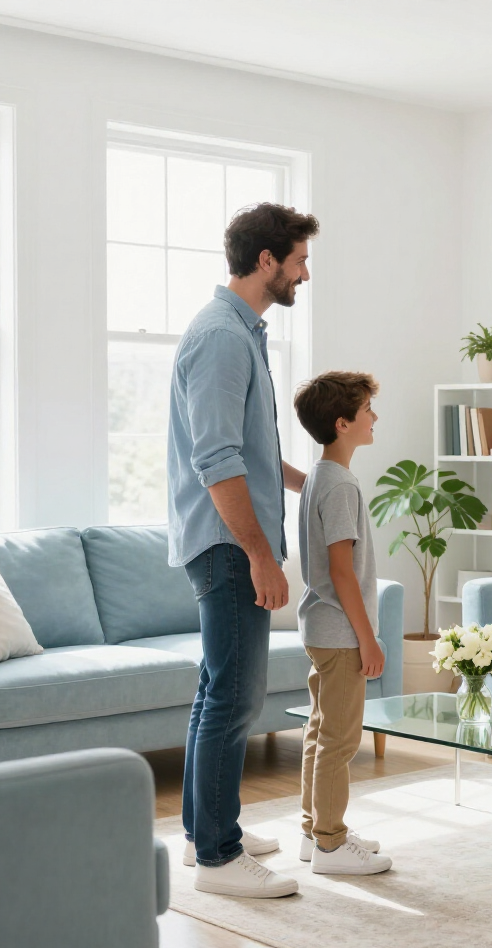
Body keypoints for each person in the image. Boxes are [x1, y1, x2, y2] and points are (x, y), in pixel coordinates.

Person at [168, 202, 318, 898]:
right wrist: (259, 554)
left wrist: (301, 480)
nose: (304, 273)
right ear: (267, 262)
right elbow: (217, 459)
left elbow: (249, 449)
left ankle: (207, 830)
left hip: (230, 539)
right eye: (298, 260)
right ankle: (221, 862)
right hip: (229, 545)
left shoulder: (241, 331)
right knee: (235, 696)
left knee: (216, 691)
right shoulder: (222, 338)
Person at [292, 371, 392, 875]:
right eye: (369, 410)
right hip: (340, 633)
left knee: (320, 731)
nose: (375, 417)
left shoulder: (319, 478)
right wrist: (369, 641)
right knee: (340, 741)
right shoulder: (340, 487)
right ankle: (331, 845)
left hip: (320, 629)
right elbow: (341, 572)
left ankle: (316, 831)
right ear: (343, 423)